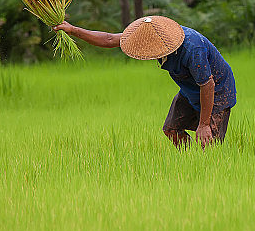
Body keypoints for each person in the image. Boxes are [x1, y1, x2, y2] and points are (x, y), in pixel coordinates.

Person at [53, 16, 236, 148]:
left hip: (216, 90)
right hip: (189, 88)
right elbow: (110, 39)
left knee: (209, 143)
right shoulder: (149, 34)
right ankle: (191, 160)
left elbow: (207, 84)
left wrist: (203, 125)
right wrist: (73, 30)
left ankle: (205, 164)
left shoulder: (192, 49)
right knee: (171, 130)